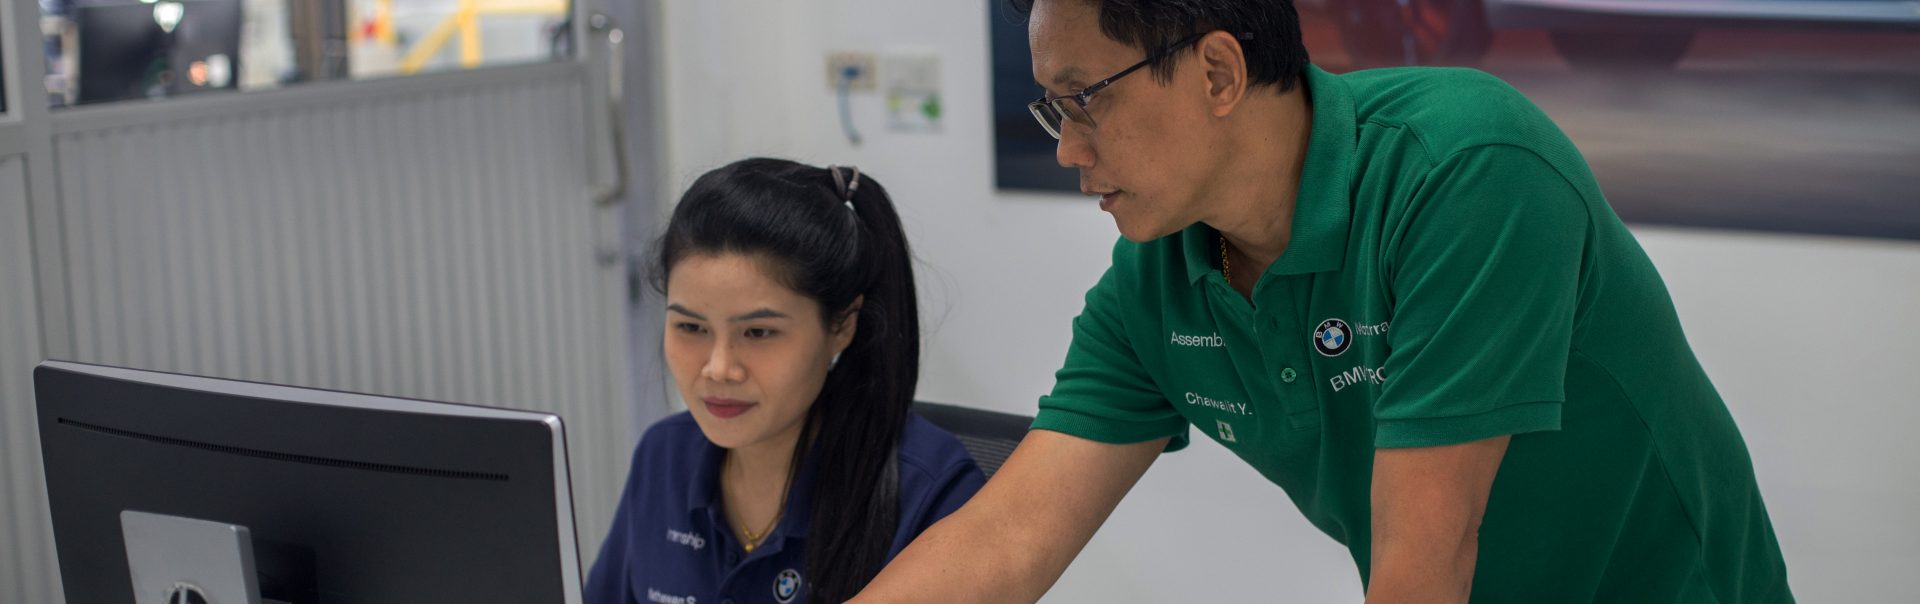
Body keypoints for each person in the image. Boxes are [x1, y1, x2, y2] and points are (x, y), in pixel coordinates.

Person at [854, 1, 1792, 602]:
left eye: (1083, 100)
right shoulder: (1157, 281)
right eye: (1051, 113)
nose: (1067, 147)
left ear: (1217, 72)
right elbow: (1007, 540)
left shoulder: (1465, 172)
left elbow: (1429, 552)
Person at [587, 158, 986, 604]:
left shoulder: (930, 490)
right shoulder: (663, 455)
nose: (718, 368)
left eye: (758, 332)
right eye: (691, 328)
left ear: (841, 326)